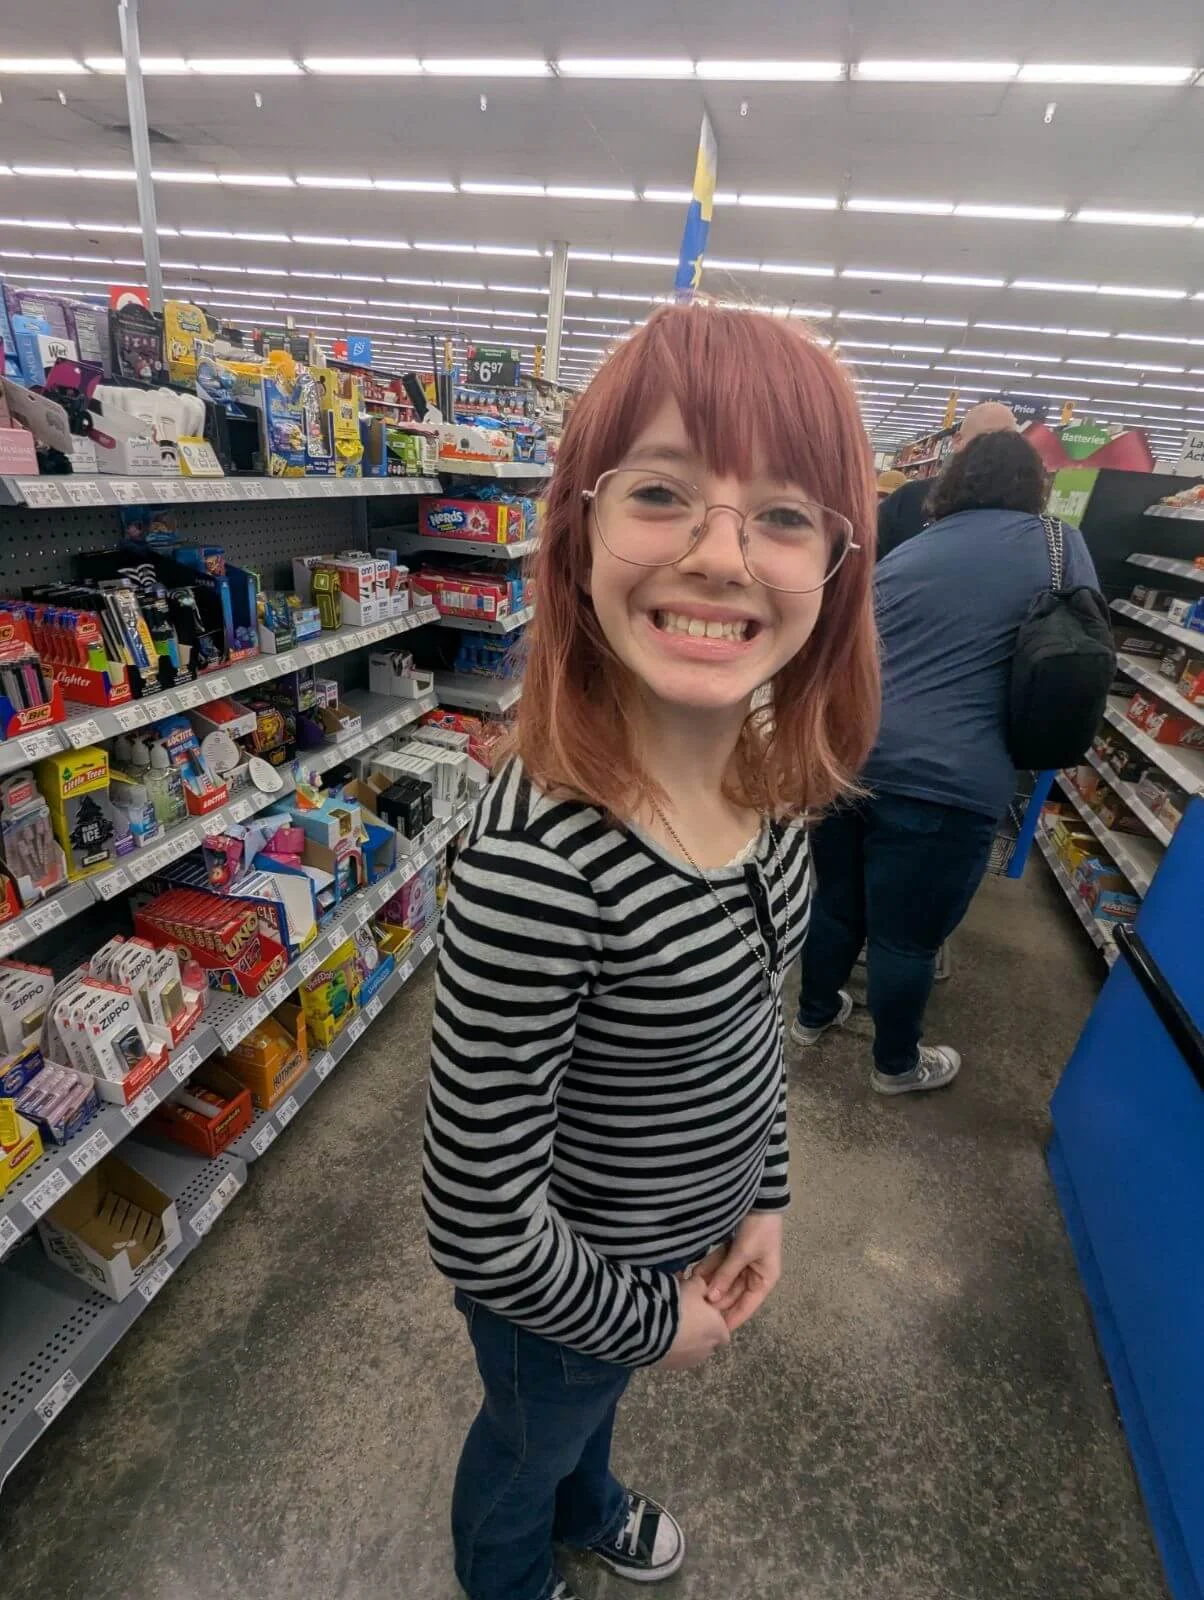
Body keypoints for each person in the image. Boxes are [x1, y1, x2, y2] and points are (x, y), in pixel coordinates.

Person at [423, 303, 880, 1600]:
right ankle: (513, 1571)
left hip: (674, 1244)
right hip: (560, 1291)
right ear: (576, 532)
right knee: (527, 1436)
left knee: (584, 1418)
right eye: (663, 492)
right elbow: (475, 1216)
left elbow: (753, 1028)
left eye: (784, 516)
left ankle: (591, 1497)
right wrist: (648, 1321)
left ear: (838, 568)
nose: (721, 555)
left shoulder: (771, 789)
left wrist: (766, 1197)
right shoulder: (541, 862)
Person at [793, 428, 1099, 1094]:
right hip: (953, 780)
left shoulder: (909, 553)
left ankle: (812, 1017)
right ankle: (895, 1066)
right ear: (1034, 488)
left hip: (851, 762)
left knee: (839, 908)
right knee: (906, 938)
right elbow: (1084, 640)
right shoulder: (1056, 546)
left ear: (950, 484)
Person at [876, 399, 1019, 561]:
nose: (999, 448)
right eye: (987, 438)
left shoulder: (1021, 512)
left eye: (1010, 439)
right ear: (958, 441)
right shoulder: (909, 499)